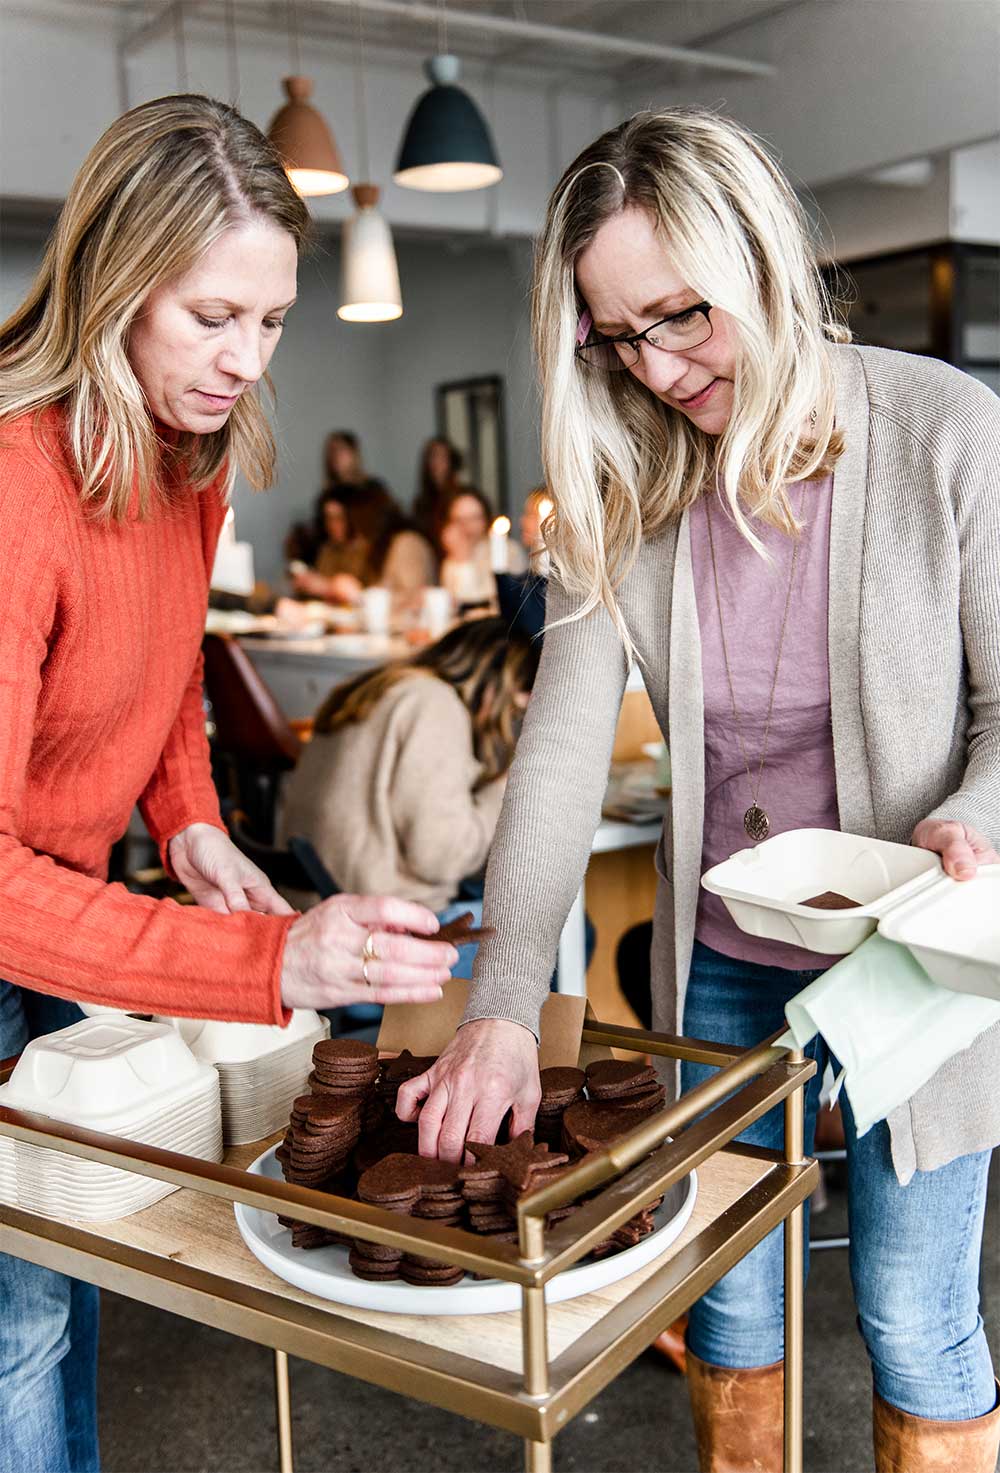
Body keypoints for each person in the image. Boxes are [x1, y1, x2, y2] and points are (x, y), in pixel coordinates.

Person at [395, 108, 1000, 1472]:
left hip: (915, 964)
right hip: (719, 965)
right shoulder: (622, 483)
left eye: (683, 317)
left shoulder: (947, 434)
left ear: (765, 259)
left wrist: (982, 814)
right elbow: (555, 755)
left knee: (909, 1312)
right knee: (726, 1300)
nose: (658, 369)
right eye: (618, 339)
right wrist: (500, 1007)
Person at [0, 95, 457, 1473]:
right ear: (115, 279)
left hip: (55, 905)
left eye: (270, 320)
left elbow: (166, 685)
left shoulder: (188, 459)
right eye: (212, 316)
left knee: (59, 1282)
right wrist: (266, 956)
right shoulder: (15, 489)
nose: (246, 359)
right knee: (20, 1319)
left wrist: (188, 818)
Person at [280, 618, 540, 978]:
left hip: (314, 913)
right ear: (497, 685)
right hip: (372, 939)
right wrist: (507, 786)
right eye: (513, 709)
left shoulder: (378, 686)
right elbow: (439, 857)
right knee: (555, 933)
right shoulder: (433, 705)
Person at [439, 489, 528, 609]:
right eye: (459, 520)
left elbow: (489, 600)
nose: (467, 526)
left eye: (474, 518)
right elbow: (452, 604)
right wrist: (462, 557)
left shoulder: (508, 551)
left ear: (486, 519)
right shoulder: (452, 559)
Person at [412, 435, 464, 550]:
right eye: (433, 457)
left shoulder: (460, 498)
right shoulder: (421, 504)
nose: (437, 462)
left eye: (443, 457)